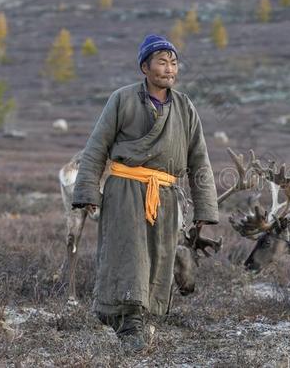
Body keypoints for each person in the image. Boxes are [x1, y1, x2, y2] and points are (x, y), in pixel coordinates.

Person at [72, 34, 219, 351]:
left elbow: (199, 158)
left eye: (174, 62)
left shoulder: (185, 107)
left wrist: (205, 209)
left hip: (164, 194)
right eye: (162, 62)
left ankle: (137, 314)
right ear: (145, 67)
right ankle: (130, 323)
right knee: (129, 254)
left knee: (158, 257)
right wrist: (87, 189)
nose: (169, 68)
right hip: (125, 188)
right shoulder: (122, 99)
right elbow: (97, 146)